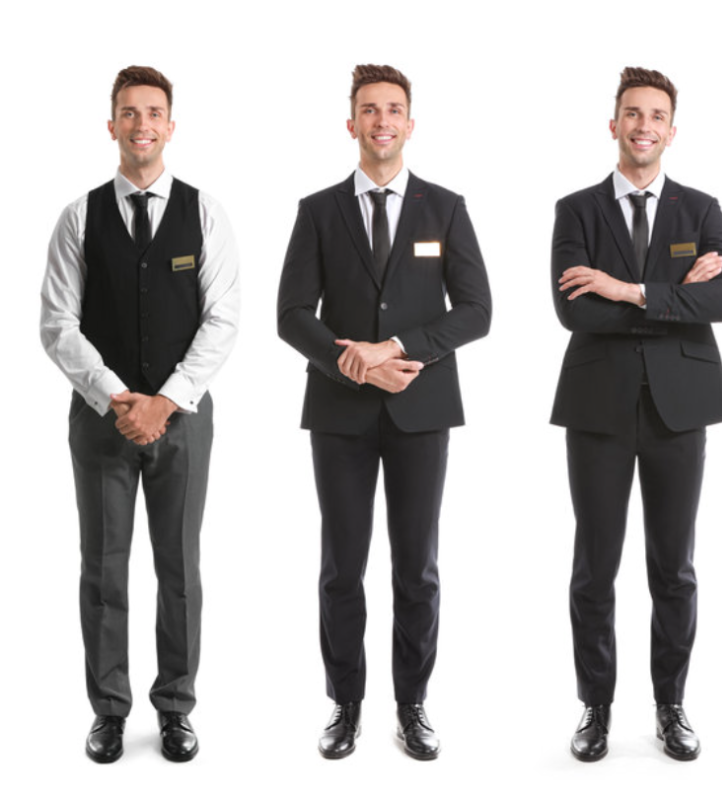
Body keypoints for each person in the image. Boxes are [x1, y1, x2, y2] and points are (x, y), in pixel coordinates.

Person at [277, 63, 491, 761]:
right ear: (352, 123)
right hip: (339, 411)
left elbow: (477, 310)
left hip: (420, 410)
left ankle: (412, 703)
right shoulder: (318, 210)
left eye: (393, 109)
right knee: (341, 566)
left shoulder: (445, 208)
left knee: (417, 567)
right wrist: (354, 360)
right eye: (369, 109)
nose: (382, 120)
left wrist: (397, 349)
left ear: (410, 123)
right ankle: (345, 703)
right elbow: (291, 314)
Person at [40, 65, 240, 764]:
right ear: (112, 126)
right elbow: (57, 324)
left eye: (154, 113)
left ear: (170, 126)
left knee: (179, 566)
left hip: (183, 419)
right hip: (102, 421)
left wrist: (166, 400)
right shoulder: (79, 216)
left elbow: (222, 319)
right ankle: (109, 710)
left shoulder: (204, 213)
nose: (142, 124)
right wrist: (117, 396)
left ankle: (176, 707)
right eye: (129, 113)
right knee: (103, 568)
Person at [551, 66, 722, 762]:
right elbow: (573, 308)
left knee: (674, 567)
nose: (643, 126)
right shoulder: (576, 210)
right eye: (633, 113)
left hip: (679, 407)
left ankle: (671, 704)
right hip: (597, 407)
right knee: (594, 565)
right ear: (614, 124)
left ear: (672, 130)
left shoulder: (702, 210)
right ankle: (596, 706)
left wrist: (626, 289)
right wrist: (671, 295)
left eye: (656, 115)